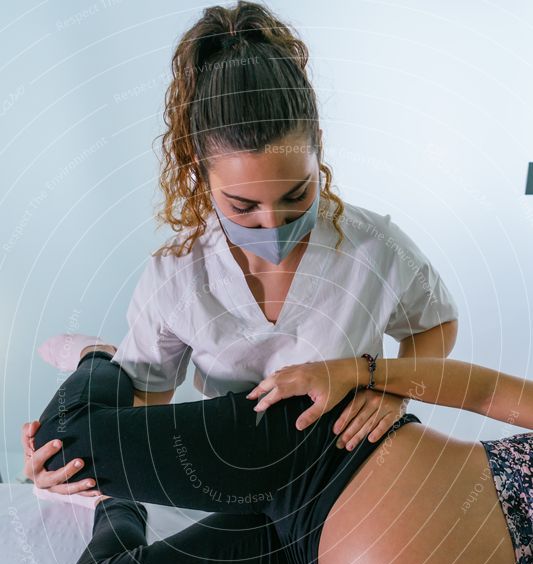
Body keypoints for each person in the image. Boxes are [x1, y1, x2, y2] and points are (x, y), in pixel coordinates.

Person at [22, 0, 459, 499]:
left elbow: (436, 323)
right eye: (243, 205)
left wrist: (394, 388)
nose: (272, 223)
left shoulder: (374, 247)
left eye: (297, 195)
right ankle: (96, 360)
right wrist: (82, 467)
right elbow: (146, 406)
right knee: (67, 445)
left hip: (338, 455)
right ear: (199, 172)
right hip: (237, 455)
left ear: (318, 148)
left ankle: (98, 357)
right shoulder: (178, 274)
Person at [31, 344, 532, 564]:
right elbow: (485, 391)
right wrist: (363, 372)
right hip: (325, 452)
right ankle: (99, 357)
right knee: (65, 443)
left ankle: (115, 503)